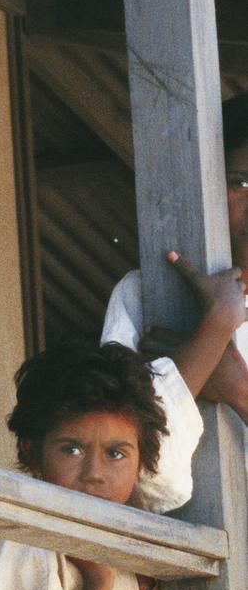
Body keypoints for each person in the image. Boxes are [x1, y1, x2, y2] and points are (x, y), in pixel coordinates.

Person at [0, 342, 169, 590]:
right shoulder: (33, 544)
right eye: (71, 449)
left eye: (115, 454)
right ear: (33, 453)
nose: (94, 473)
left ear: (141, 463)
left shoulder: (141, 561)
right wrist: (99, 585)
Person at [102, 93, 248, 508]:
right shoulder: (144, 293)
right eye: (240, 182)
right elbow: (137, 479)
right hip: (175, 562)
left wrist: (239, 391)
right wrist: (212, 335)